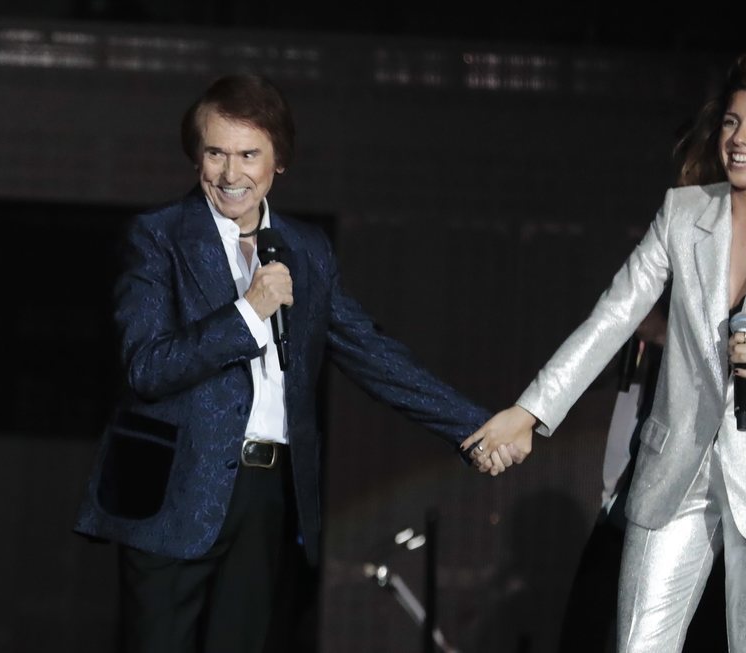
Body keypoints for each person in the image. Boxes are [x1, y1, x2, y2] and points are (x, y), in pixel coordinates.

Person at [462, 53, 746, 652]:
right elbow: (613, 317)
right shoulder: (682, 213)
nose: (739, 139)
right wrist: (530, 412)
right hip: (677, 468)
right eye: (730, 122)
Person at [74, 74, 489, 653]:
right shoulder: (159, 236)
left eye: (248, 154)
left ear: (279, 163)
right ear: (197, 155)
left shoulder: (307, 250)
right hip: (173, 492)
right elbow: (147, 367)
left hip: (267, 497)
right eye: (215, 152)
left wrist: (471, 425)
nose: (230, 173)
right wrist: (248, 313)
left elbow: (371, 352)